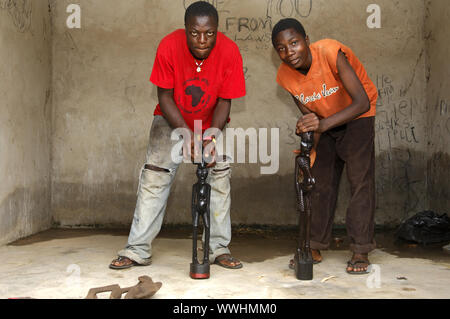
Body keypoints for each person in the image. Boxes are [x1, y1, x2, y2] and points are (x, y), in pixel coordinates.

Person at [110, 1, 246, 270]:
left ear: (217, 31)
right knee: (155, 176)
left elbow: (225, 100)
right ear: (185, 30)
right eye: (195, 33)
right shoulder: (169, 46)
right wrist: (186, 133)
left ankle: (218, 248)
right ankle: (137, 249)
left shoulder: (230, 50)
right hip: (171, 119)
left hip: (212, 121)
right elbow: (164, 95)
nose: (203, 40)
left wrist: (210, 137)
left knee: (219, 176)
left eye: (209, 33)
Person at [272, 18, 378, 274]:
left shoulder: (330, 52)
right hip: (326, 122)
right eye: (282, 48)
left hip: (358, 116)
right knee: (319, 183)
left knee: (360, 181)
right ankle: (314, 245)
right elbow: (311, 119)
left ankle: (360, 249)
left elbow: (361, 102)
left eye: (294, 43)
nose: (289, 52)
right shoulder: (285, 76)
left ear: (307, 41)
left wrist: (322, 124)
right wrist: (309, 157)